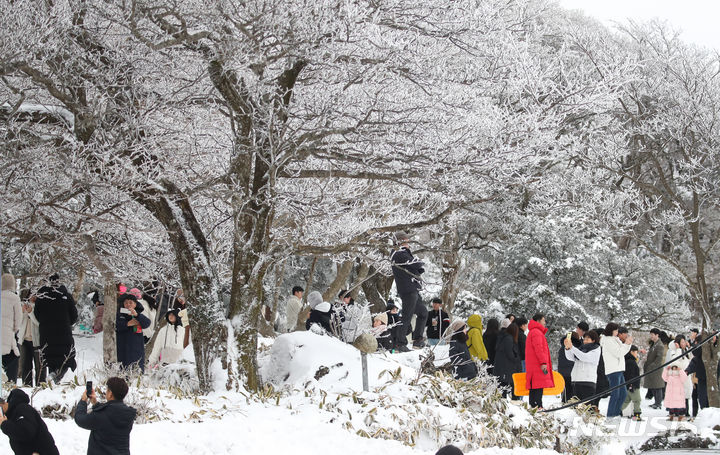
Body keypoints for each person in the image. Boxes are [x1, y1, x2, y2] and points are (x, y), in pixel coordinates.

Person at [33, 273, 79, 381]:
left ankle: (52, 378)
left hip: (46, 334)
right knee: (65, 359)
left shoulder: (42, 297)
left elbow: (37, 315)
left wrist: (46, 323)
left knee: (50, 359)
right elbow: (74, 316)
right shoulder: (66, 296)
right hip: (63, 333)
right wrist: (66, 323)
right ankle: (55, 376)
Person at [75, 376, 136, 454]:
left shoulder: (101, 415)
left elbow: (80, 419)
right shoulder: (127, 414)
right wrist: (95, 403)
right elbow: (110, 415)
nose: (106, 392)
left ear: (110, 393)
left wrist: (83, 401)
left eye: (107, 390)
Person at [390, 231, 428, 351]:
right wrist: (419, 264)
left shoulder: (403, 253)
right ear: (400, 241)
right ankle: (400, 343)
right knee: (407, 316)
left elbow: (415, 266)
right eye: (406, 240)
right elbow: (415, 263)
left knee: (423, 313)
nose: (408, 243)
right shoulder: (398, 252)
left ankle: (417, 339)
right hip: (407, 289)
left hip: (413, 289)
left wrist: (418, 267)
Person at [0, 388, 59, 455]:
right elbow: (21, 443)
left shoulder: (23, 409)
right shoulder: (11, 416)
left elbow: (26, 432)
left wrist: (5, 425)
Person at [599, 323, 633, 418]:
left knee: (623, 393)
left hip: (619, 369)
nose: (618, 332)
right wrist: (627, 344)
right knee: (616, 394)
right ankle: (611, 415)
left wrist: (627, 344)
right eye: (616, 330)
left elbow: (622, 351)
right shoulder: (608, 340)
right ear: (612, 330)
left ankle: (616, 413)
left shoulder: (614, 339)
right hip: (613, 370)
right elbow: (619, 353)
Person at [116, 293, 151, 372]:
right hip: (122, 348)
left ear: (135, 304)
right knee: (123, 371)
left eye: (130, 302)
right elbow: (115, 326)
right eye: (126, 303)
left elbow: (147, 323)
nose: (128, 304)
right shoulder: (119, 314)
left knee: (136, 371)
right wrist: (127, 324)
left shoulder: (139, 314)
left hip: (136, 348)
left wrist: (137, 315)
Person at [563, 329, 601, 402]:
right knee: (576, 408)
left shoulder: (596, 350)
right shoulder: (582, 349)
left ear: (593, 340)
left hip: (587, 382)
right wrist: (567, 348)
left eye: (588, 339)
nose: (585, 341)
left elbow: (585, 357)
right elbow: (570, 357)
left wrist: (572, 348)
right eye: (584, 339)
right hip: (576, 381)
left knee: (586, 407)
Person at [525, 313, 553, 408]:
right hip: (537, 365)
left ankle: (534, 406)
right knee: (538, 386)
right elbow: (539, 349)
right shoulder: (536, 332)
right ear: (538, 321)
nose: (545, 322)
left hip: (534, 365)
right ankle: (538, 406)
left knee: (535, 386)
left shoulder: (533, 332)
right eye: (543, 320)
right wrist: (543, 362)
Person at [17, 290, 43, 386]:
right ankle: (27, 385)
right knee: (25, 366)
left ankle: (40, 386)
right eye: (31, 294)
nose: (32, 297)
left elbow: (39, 324)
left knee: (39, 366)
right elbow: (18, 324)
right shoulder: (22, 305)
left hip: (36, 341)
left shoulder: (39, 306)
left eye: (35, 294)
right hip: (24, 340)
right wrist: (22, 312)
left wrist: (30, 313)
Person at [1, 273, 22, 383]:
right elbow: (18, 319)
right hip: (8, 337)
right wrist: (14, 329)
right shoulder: (14, 298)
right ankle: (10, 384)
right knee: (13, 359)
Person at [494, 322, 521, 398]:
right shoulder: (508, 339)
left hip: (502, 366)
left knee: (503, 385)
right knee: (507, 384)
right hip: (506, 366)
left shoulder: (503, 337)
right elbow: (509, 353)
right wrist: (516, 359)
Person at [643, 328, 665, 409]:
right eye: (651, 334)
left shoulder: (659, 345)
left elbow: (659, 358)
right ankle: (656, 402)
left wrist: (652, 366)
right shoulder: (654, 344)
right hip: (651, 368)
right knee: (653, 385)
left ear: (657, 335)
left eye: (652, 334)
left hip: (656, 369)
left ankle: (658, 403)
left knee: (657, 386)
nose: (651, 336)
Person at [557, 331, 581, 402]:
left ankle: (564, 403)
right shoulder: (574, 348)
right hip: (571, 372)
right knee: (571, 393)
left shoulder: (562, 348)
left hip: (562, 373)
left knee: (564, 392)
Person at [685, 346, 708, 417]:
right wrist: (687, 371)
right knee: (701, 399)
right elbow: (695, 356)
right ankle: (701, 415)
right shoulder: (699, 355)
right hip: (701, 379)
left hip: (712, 379)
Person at [621, 345, 642, 420]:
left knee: (626, 400)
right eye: (636, 352)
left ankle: (618, 411)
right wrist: (631, 385)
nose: (637, 354)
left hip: (628, 385)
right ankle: (637, 415)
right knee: (637, 400)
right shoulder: (631, 362)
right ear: (631, 352)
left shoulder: (627, 360)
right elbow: (631, 375)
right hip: (633, 385)